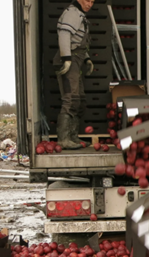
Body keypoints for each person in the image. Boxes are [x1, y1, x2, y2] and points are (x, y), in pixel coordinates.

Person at [53, 0, 96, 149]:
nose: (89, 4)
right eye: (87, 0)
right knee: (70, 99)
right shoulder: (72, 13)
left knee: (79, 99)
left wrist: (87, 58)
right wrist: (66, 58)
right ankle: (63, 139)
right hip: (69, 60)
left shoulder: (80, 15)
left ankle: (73, 137)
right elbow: (64, 36)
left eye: (92, 1)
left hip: (76, 61)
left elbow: (77, 43)